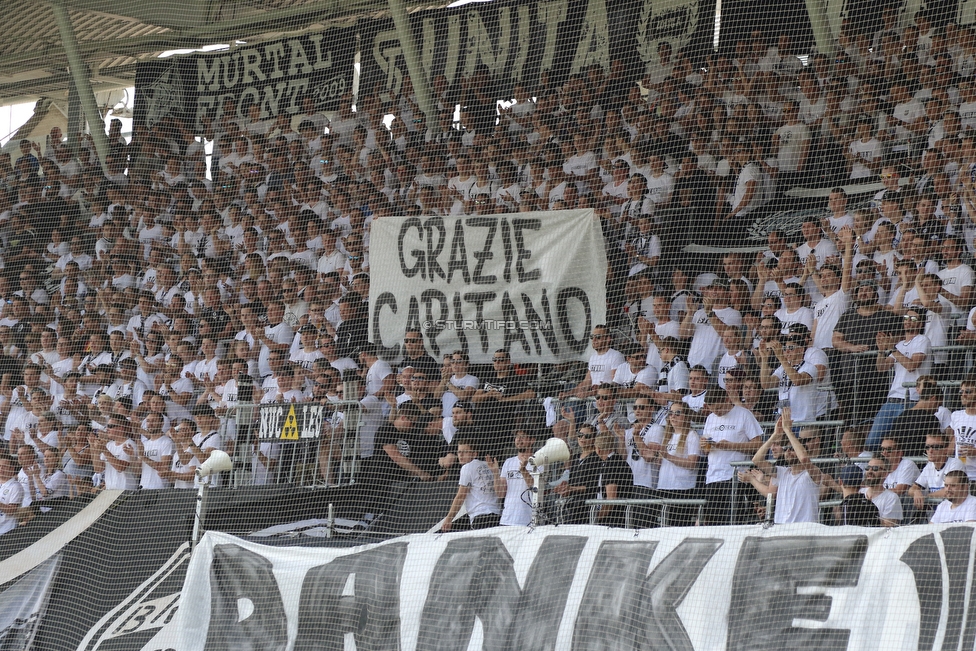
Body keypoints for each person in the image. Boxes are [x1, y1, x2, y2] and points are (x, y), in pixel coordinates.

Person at [740, 410, 821, 524]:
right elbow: (756, 460)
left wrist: (788, 430)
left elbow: (803, 458)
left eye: (792, 449)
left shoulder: (813, 473)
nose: (788, 452)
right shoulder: (782, 472)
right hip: (781, 529)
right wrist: (774, 436)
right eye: (786, 449)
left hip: (805, 532)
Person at [867, 306, 932, 450]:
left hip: (911, 400)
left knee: (902, 444)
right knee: (872, 442)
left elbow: (912, 365)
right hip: (892, 400)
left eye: (913, 319)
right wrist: (881, 350)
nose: (908, 321)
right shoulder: (899, 344)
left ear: (921, 324)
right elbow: (882, 367)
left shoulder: (922, 340)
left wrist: (892, 349)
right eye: (906, 318)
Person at [701, 385, 763, 524]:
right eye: (712, 409)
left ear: (727, 399)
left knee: (733, 522)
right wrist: (705, 445)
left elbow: (758, 445)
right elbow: (706, 450)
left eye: (718, 408)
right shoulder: (710, 418)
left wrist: (731, 446)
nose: (716, 412)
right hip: (713, 478)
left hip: (735, 477)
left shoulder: (743, 414)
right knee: (713, 523)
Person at [654, 402, 701, 526]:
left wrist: (668, 456)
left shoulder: (691, 435)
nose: (673, 416)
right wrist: (656, 457)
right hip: (664, 486)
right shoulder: (667, 436)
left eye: (678, 413)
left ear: (686, 416)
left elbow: (692, 463)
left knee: (677, 527)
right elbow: (661, 464)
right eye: (671, 413)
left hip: (681, 488)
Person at [440, 438, 501, 531]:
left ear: (474, 454)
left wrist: (448, 519)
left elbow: (460, 496)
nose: (461, 455)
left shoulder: (467, 468)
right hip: (497, 515)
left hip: (480, 517)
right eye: (459, 452)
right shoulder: (490, 466)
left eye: (465, 452)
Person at [909, 433, 966, 523]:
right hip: (937, 516)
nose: (930, 451)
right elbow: (912, 489)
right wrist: (916, 492)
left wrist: (926, 497)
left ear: (945, 449)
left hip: (957, 515)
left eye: (936, 447)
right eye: (928, 447)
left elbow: (948, 491)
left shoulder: (955, 464)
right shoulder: (929, 466)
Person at [488, 429, 540, 527]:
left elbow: (535, 488)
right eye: (517, 436)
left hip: (528, 521)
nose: (519, 439)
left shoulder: (539, 461)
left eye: (523, 436)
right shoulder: (508, 462)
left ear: (532, 440)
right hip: (507, 519)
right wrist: (495, 473)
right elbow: (500, 494)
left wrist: (523, 470)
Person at [553, 423, 601, 524]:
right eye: (580, 435)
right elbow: (572, 481)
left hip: (588, 508)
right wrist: (564, 487)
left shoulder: (597, 458)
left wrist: (571, 489)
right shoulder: (575, 457)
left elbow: (592, 487)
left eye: (587, 436)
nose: (582, 438)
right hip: (572, 507)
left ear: (594, 439)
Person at [594, 432, 634, 526]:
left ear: (599, 450)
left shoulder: (611, 465)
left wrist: (597, 517)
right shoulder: (619, 461)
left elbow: (611, 498)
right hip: (622, 515)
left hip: (613, 520)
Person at [862, 454, 903, 526]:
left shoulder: (891, 498)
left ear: (885, 474)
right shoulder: (860, 493)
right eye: (867, 468)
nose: (870, 471)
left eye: (875, 468)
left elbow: (888, 527)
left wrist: (871, 512)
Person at [0, 455, 23, 535]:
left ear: (12, 469)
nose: (1, 469)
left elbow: (12, 511)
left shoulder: (15, 486)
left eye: (4, 466)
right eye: (0, 466)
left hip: (7, 531)